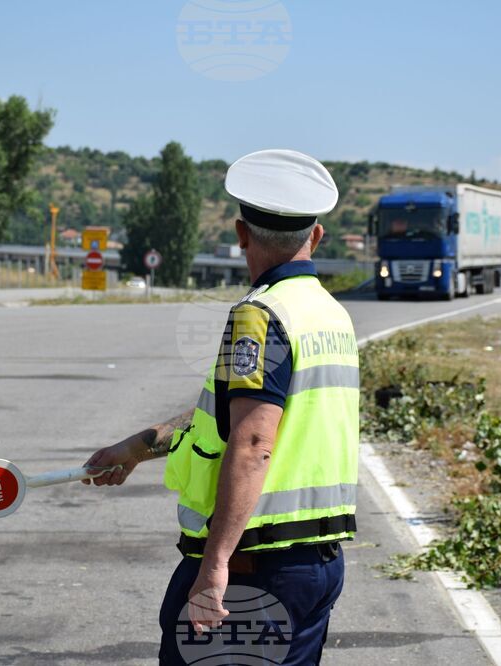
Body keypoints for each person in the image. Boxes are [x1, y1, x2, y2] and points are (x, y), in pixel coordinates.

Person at [83, 149, 360, 665]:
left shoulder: (260, 317)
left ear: (240, 233)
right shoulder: (332, 315)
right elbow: (240, 419)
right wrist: (136, 449)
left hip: (255, 567)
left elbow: (253, 442)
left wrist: (214, 567)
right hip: (319, 565)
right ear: (315, 236)